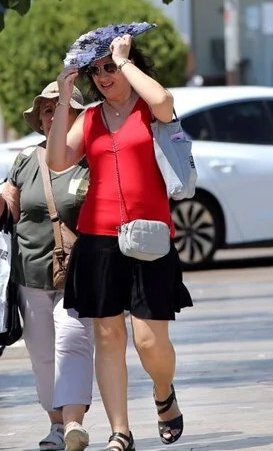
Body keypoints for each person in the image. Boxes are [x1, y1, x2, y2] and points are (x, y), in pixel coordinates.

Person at [46, 24, 192, 451]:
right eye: (96, 71)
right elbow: (57, 160)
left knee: (150, 340)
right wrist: (61, 98)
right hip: (99, 238)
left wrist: (126, 60)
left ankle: (164, 392)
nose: (104, 76)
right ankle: (120, 431)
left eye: (110, 67)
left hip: (148, 236)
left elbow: (165, 100)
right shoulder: (89, 117)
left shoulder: (149, 109)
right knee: (108, 337)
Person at [0, 82, 95, 451]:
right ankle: (55, 425)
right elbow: (9, 210)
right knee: (42, 353)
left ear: (76, 117)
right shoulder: (26, 160)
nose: (51, 114)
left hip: (79, 275)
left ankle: (73, 425)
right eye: (46, 110)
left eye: (60, 108)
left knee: (72, 342)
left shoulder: (92, 159)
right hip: (30, 274)